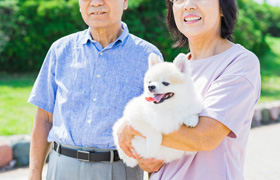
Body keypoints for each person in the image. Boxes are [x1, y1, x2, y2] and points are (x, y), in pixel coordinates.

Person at [117, 0, 261, 179]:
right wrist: (146, 159)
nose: (189, 5)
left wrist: (134, 125)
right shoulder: (174, 71)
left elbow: (204, 137)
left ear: (223, 7)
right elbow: (155, 154)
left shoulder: (239, 63)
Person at [27, 0, 162, 179]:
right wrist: (33, 175)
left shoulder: (148, 56)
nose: (96, 2)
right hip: (62, 168)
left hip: (120, 170)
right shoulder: (60, 50)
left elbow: (160, 120)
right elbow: (44, 119)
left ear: (125, 2)